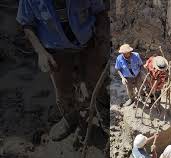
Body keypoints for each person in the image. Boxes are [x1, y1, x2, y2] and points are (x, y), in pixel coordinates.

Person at [16, 0, 108, 141]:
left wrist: (102, 33)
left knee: (96, 82)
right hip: (56, 50)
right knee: (63, 90)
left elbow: (99, 11)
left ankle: (103, 111)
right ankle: (70, 118)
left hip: (89, 42)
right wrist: (41, 52)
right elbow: (26, 24)